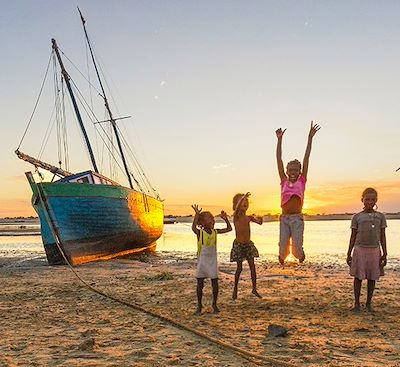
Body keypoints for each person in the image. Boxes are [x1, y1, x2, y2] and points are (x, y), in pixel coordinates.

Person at [275, 121, 321, 265]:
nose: (293, 172)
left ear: (300, 171)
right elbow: (279, 159)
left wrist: (310, 138)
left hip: (297, 220)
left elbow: (306, 158)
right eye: (290, 170)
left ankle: (300, 254)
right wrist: (279, 140)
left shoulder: (302, 180)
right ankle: (283, 255)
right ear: (287, 171)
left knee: (296, 252)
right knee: (282, 251)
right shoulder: (283, 180)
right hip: (284, 219)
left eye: (296, 170)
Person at [347, 188, 387, 312]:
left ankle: (369, 303)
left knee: (372, 278)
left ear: (376, 200)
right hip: (359, 249)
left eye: (372, 199)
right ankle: (357, 304)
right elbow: (353, 236)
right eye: (367, 199)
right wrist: (349, 253)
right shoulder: (357, 217)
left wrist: (385, 253)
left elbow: (382, 235)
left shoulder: (380, 217)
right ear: (362, 200)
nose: (370, 202)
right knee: (358, 278)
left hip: (374, 250)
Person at [191, 204, 232, 314]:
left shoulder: (215, 232)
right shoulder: (201, 233)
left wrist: (226, 219)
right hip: (202, 262)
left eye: (213, 219)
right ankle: (199, 305)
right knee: (200, 283)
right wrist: (196, 215)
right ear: (203, 223)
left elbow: (229, 229)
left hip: (212, 261)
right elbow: (193, 228)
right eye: (210, 218)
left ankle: (214, 304)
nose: (213, 220)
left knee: (215, 282)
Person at [230, 192, 263, 300]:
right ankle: (235, 290)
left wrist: (259, 219)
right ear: (236, 204)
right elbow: (237, 209)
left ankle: (254, 289)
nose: (245, 203)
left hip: (248, 244)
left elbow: (260, 222)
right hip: (239, 244)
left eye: (246, 201)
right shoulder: (236, 217)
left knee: (252, 266)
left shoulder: (248, 217)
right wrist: (243, 198)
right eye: (242, 201)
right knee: (239, 268)